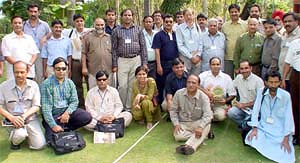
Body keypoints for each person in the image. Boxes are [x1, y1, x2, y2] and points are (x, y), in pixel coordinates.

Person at [245, 71, 295, 163]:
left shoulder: (285, 96)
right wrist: (255, 128)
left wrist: (286, 138)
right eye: (271, 82)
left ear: (280, 82)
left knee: (285, 150)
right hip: (263, 127)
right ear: (266, 82)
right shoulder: (261, 92)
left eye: (276, 82)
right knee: (251, 139)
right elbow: (255, 110)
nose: (273, 85)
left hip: (279, 129)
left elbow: (289, 117)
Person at [40, 57, 92, 142]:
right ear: (53, 69)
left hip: (67, 113)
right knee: (50, 139)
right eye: (58, 69)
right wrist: (53, 125)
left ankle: (66, 128)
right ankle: (58, 127)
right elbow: (46, 109)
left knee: (86, 117)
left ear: (66, 69)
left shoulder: (70, 83)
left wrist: (67, 113)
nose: (61, 71)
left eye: (63, 69)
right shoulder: (46, 84)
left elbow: (74, 101)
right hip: (54, 115)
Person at [0, 61, 46, 150]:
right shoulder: (4, 86)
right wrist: (12, 118)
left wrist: (23, 117)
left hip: (29, 119)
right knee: (20, 135)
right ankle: (15, 142)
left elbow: (36, 106)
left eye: (22, 72)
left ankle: (26, 134)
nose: (19, 75)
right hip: (12, 121)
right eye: (16, 72)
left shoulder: (34, 85)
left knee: (39, 145)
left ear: (27, 71)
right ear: (13, 72)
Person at [111, 8, 148, 110]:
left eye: (129, 15)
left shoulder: (138, 29)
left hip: (136, 59)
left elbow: (143, 46)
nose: (127, 17)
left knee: (133, 85)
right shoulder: (116, 30)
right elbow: (113, 48)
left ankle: (129, 108)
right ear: (122, 17)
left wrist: (144, 63)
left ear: (132, 17)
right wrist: (114, 64)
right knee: (122, 86)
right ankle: (121, 107)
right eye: (125, 15)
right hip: (122, 60)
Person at [170, 74, 213, 155]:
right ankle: (204, 135)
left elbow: (208, 115)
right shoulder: (178, 93)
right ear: (186, 83)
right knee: (178, 137)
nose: (190, 85)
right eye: (188, 82)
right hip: (183, 123)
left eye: (193, 83)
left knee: (207, 125)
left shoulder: (204, 97)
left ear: (198, 85)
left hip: (197, 122)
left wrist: (200, 127)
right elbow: (173, 111)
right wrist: (176, 124)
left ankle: (190, 146)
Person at [63, 14, 91, 109]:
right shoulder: (69, 32)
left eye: (81, 21)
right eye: (77, 21)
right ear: (74, 23)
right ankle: (80, 106)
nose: (80, 23)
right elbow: (55, 30)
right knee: (77, 85)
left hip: (87, 62)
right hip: (75, 62)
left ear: (84, 22)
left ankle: (91, 106)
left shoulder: (89, 32)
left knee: (90, 84)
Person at [227, 60, 264, 126]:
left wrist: (244, 105)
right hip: (241, 108)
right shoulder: (238, 78)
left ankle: (247, 123)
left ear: (251, 68)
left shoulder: (258, 81)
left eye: (246, 68)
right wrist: (228, 103)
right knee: (231, 112)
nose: (244, 71)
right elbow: (230, 88)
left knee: (255, 118)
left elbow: (261, 100)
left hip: (254, 109)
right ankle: (244, 124)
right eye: (242, 69)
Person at [199, 57, 236, 122]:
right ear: (210, 65)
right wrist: (206, 93)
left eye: (217, 64)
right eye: (213, 64)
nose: (216, 66)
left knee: (220, 117)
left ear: (220, 65)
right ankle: (207, 116)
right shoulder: (203, 75)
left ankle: (208, 117)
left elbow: (233, 94)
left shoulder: (226, 77)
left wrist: (225, 101)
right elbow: (196, 85)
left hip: (219, 104)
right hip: (205, 102)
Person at [2, 16, 39, 80]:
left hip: (28, 72)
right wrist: (20, 67)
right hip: (13, 74)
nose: (17, 25)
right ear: (12, 25)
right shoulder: (6, 39)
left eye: (19, 23)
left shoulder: (29, 38)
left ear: (22, 24)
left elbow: (35, 53)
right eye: (15, 23)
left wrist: (29, 64)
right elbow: (7, 56)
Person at [152, 14, 179, 104]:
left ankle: (173, 103)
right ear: (163, 22)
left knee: (173, 83)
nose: (168, 23)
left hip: (174, 64)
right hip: (163, 64)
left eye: (170, 22)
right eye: (166, 22)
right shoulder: (158, 35)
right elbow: (157, 51)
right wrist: (159, 65)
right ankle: (160, 104)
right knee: (161, 84)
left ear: (173, 23)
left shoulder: (176, 35)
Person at [82, 18, 113, 89]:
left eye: (102, 25)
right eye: (97, 25)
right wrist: (84, 67)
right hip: (93, 71)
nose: (100, 27)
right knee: (93, 92)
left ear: (105, 25)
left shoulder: (110, 38)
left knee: (108, 92)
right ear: (94, 25)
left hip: (108, 71)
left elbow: (114, 53)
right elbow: (84, 53)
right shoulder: (88, 38)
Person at [23, 3, 51, 84]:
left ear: (39, 12)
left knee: (41, 76)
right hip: (28, 55)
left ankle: (40, 95)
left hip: (41, 55)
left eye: (35, 11)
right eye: (31, 11)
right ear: (28, 12)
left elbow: (50, 33)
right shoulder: (24, 25)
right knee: (28, 75)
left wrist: (45, 37)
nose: (33, 14)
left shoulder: (44, 25)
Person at [222, 4, 248, 79]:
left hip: (241, 57)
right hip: (228, 57)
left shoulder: (245, 25)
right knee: (228, 78)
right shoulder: (225, 26)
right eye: (231, 12)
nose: (234, 13)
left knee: (241, 78)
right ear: (229, 13)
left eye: (235, 12)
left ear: (239, 12)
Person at [282, 38, 300, 145]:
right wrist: (283, 78)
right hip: (296, 76)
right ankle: (296, 135)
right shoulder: (295, 43)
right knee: (296, 107)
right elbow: (288, 63)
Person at [278, 12, 300, 93]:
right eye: (285, 22)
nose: (287, 24)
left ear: (296, 22)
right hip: (284, 76)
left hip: (294, 77)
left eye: (290, 21)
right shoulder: (285, 35)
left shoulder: (298, 36)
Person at [176, 9, 201, 75]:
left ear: (193, 16)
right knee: (185, 78)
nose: (189, 17)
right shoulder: (179, 28)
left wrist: (198, 55)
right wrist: (190, 57)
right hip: (185, 58)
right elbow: (180, 45)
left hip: (196, 59)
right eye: (187, 15)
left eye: (190, 15)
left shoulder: (197, 27)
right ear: (183, 16)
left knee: (195, 80)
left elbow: (201, 42)